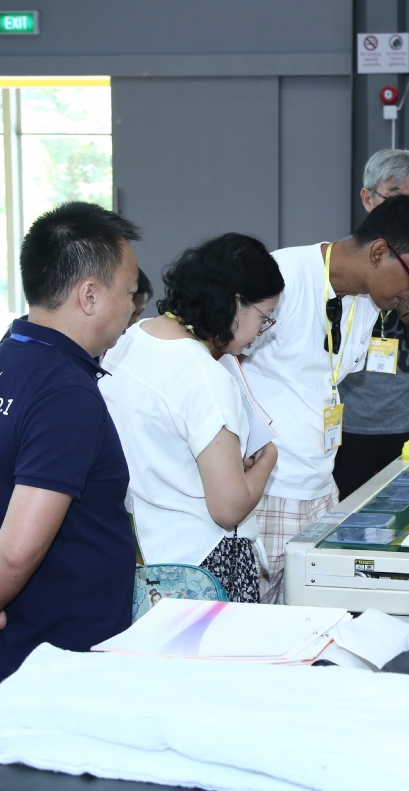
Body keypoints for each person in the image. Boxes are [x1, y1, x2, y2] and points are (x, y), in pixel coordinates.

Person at [0, 201, 141, 707]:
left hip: (2, 658)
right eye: (128, 293)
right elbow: (17, 553)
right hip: (56, 667)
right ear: (89, 295)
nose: (131, 307)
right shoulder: (64, 393)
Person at [242, 195, 409, 603]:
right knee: (258, 621)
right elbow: (224, 359)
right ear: (379, 252)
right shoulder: (280, 278)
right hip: (269, 493)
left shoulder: (369, 303)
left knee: (315, 621)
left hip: (321, 488)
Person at [100, 234, 283, 602]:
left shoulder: (132, 338)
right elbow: (229, 508)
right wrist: (268, 459)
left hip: (139, 552)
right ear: (236, 302)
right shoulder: (206, 376)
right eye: (264, 318)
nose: (260, 334)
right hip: (201, 567)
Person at [333, 149, 409, 500]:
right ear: (368, 198)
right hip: (347, 423)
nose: (405, 207)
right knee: (347, 517)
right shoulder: (344, 263)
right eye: (394, 195)